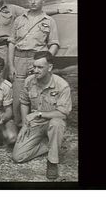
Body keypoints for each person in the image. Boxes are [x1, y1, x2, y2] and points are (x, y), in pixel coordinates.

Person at [12, 51, 72, 180]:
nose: (35, 70)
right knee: (18, 156)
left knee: (57, 123)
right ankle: (50, 143)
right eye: (34, 67)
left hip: (52, 121)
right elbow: (24, 102)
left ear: (49, 67)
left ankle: (52, 161)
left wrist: (39, 114)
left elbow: (63, 113)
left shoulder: (62, 85)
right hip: (36, 124)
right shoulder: (29, 81)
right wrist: (24, 124)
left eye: (40, 67)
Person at [8, 0, 60, 127]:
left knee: (38, 95)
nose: (33, 1)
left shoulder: (49, 21)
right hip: (19, 60)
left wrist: (44, 61)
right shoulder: (19, 20)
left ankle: (39, 129)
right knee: (18, 96)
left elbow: (54, 44)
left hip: (37, 61)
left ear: (43, 0)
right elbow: (12, 43)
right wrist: (11, 65)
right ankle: (20, 128)